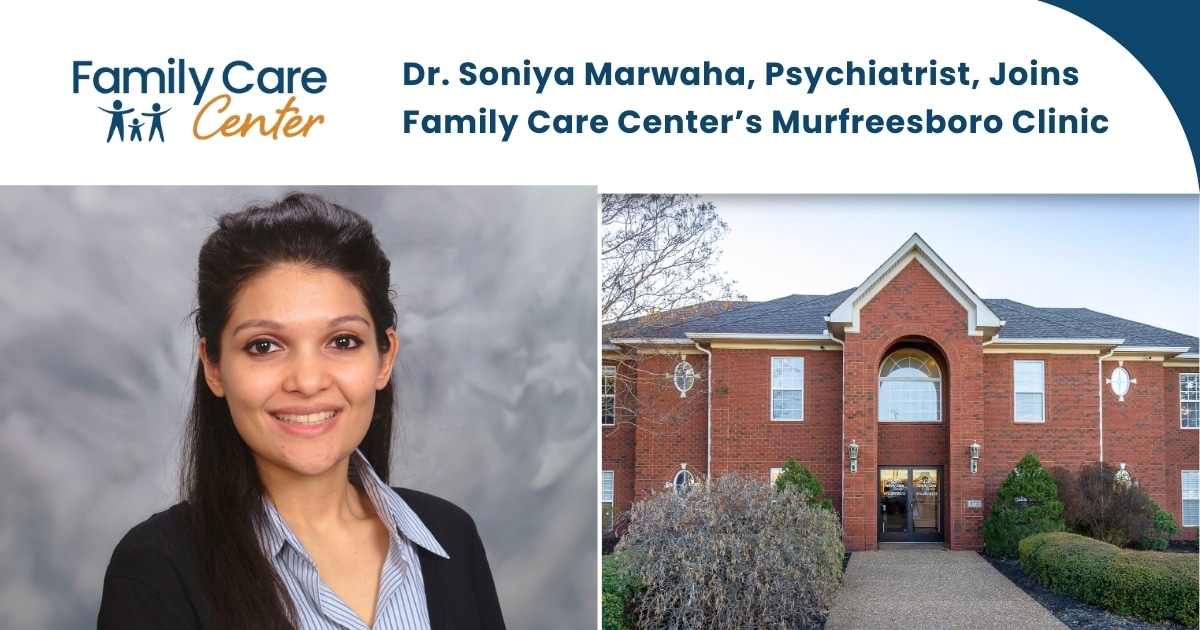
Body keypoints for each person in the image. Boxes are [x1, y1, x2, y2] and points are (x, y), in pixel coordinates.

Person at [97, 193, 506, 629]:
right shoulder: (155, 573)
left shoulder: (451, 536)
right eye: (264, 346)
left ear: (384, 359)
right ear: (213, 367)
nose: (308, 381)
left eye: (343, 341)